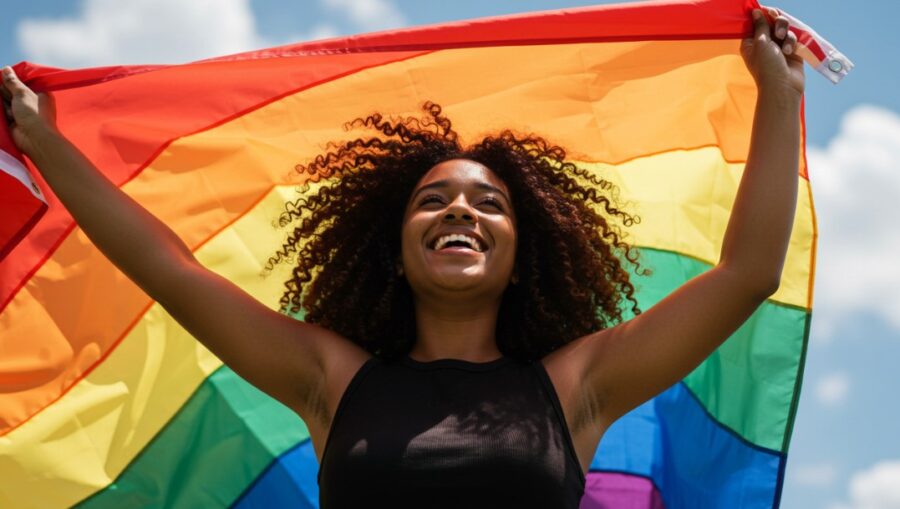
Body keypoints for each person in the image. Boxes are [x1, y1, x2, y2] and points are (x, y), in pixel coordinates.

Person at [2, 9, 803, 508]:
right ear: (396, 251)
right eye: (434, 200)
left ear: (524, 257)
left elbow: (747, 273)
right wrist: (45, 140)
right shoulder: (330, 378)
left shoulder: (576, 386)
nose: (461, 208)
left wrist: (780, 94)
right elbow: (169, 267)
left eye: (489, 203)